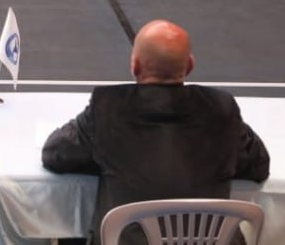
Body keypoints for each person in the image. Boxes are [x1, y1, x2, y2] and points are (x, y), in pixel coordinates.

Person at [41, 19, 270, 245]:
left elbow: (56, 154)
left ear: (135, 66)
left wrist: (107, 157)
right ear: (189, 66)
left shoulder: (108, 107)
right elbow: (258, 165)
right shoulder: (221, 108)